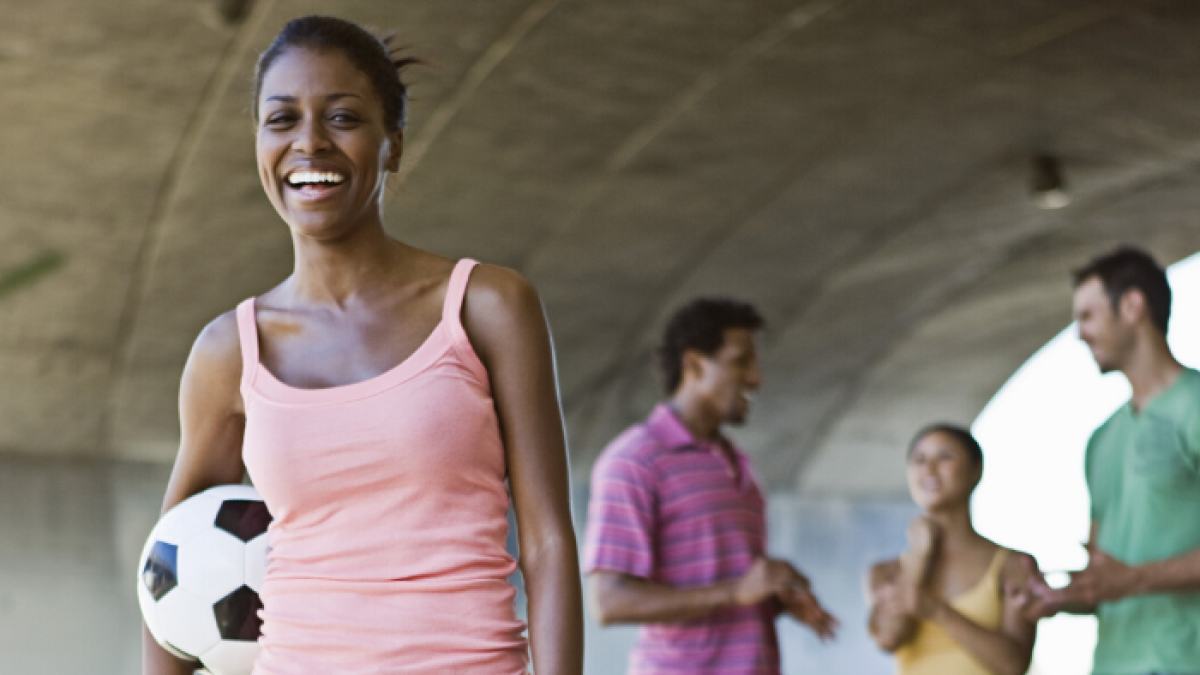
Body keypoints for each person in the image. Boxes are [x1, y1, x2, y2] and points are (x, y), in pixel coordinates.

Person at [143, 16, 583, 675]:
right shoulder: (229, 350)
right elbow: (166, 576)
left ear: (393, 144)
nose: (309, 144)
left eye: (343, 117)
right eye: (282, 119)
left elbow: (547, 542)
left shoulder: (487, 306)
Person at [583, 298, 837, 675]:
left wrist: (775, 595)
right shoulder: (634, 460)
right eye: (741, 361)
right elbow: (610, 601)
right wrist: (736, 591)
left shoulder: (739, 465)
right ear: (694, 365)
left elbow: (724, 584)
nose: (756, 377)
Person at [1020, 246, 1200, 675]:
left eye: (1087, 316)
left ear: (1133, 306)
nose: (1079, 334)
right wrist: (1058, 595)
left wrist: (1134, 579)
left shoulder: (1194, 405)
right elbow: (1107, 578)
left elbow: (1127, 579)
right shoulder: (1101, 440)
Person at [867, 425, 1038, 675]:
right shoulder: (886, 571)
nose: (928, 468)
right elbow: (888, 638)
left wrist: (936, 611)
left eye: (944, 456)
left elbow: (1013, 666)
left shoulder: (1013, 565)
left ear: (975, 471)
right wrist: (920, 554)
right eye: (919, 459)